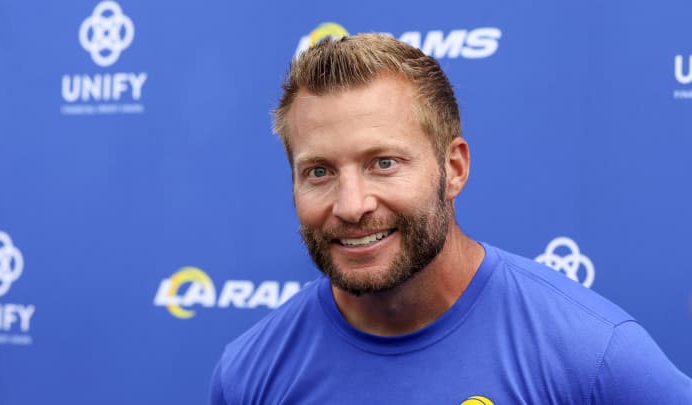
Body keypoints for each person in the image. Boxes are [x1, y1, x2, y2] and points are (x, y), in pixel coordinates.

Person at [210, 33, 692, 404]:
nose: (352, 205)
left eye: (384, 163)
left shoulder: (594, 355)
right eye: (319, 171)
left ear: (454, 169)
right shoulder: (251, 373)